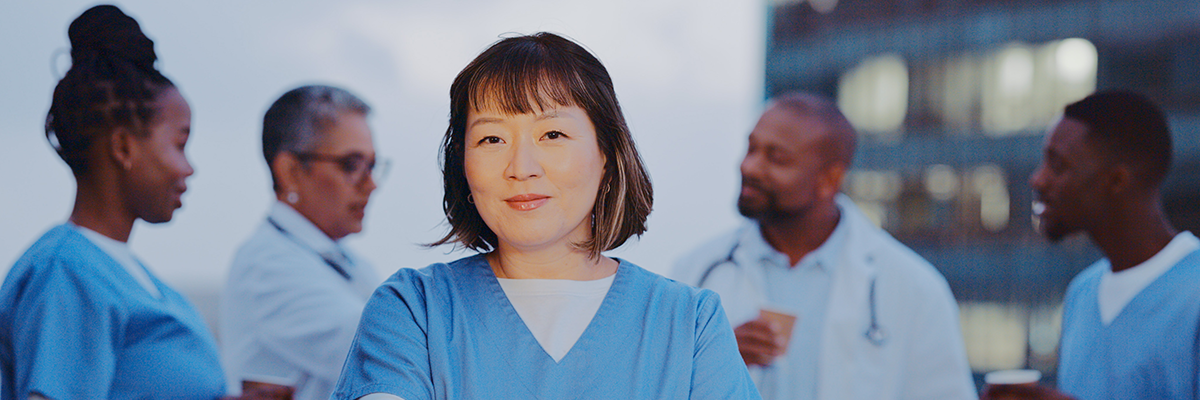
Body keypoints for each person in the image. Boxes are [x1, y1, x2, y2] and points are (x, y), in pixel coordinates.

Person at [331, 32, 760, 400]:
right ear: (461, 163)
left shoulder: (689, 325)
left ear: (607, 154)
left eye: (552, 134)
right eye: (492, 138)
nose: (521, 167)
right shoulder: (413, 311)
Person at [672, 92, 976, 400]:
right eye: (751, 148)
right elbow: (652, 386)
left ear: (829, 179)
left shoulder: (915, 288)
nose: (750, 167)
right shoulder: (696, 271)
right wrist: (711, 361)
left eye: (776, 158)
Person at [0, 5, 225, 399]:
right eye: (179, 143)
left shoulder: (127, 274)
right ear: (123, 147)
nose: (189, 168)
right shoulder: (67, 272)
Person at [983, 91, 1200, 400]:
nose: (1037, 180)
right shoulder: (1082, 293)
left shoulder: (1193, 296)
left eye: (1058, 166)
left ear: (1116, 181)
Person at [220, 85, 385, 400]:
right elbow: (383, 346)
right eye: (351, 165)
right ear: (290, 171)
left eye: (372, 166)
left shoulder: (347, 262)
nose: (371, 184)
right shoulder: (267, 267)